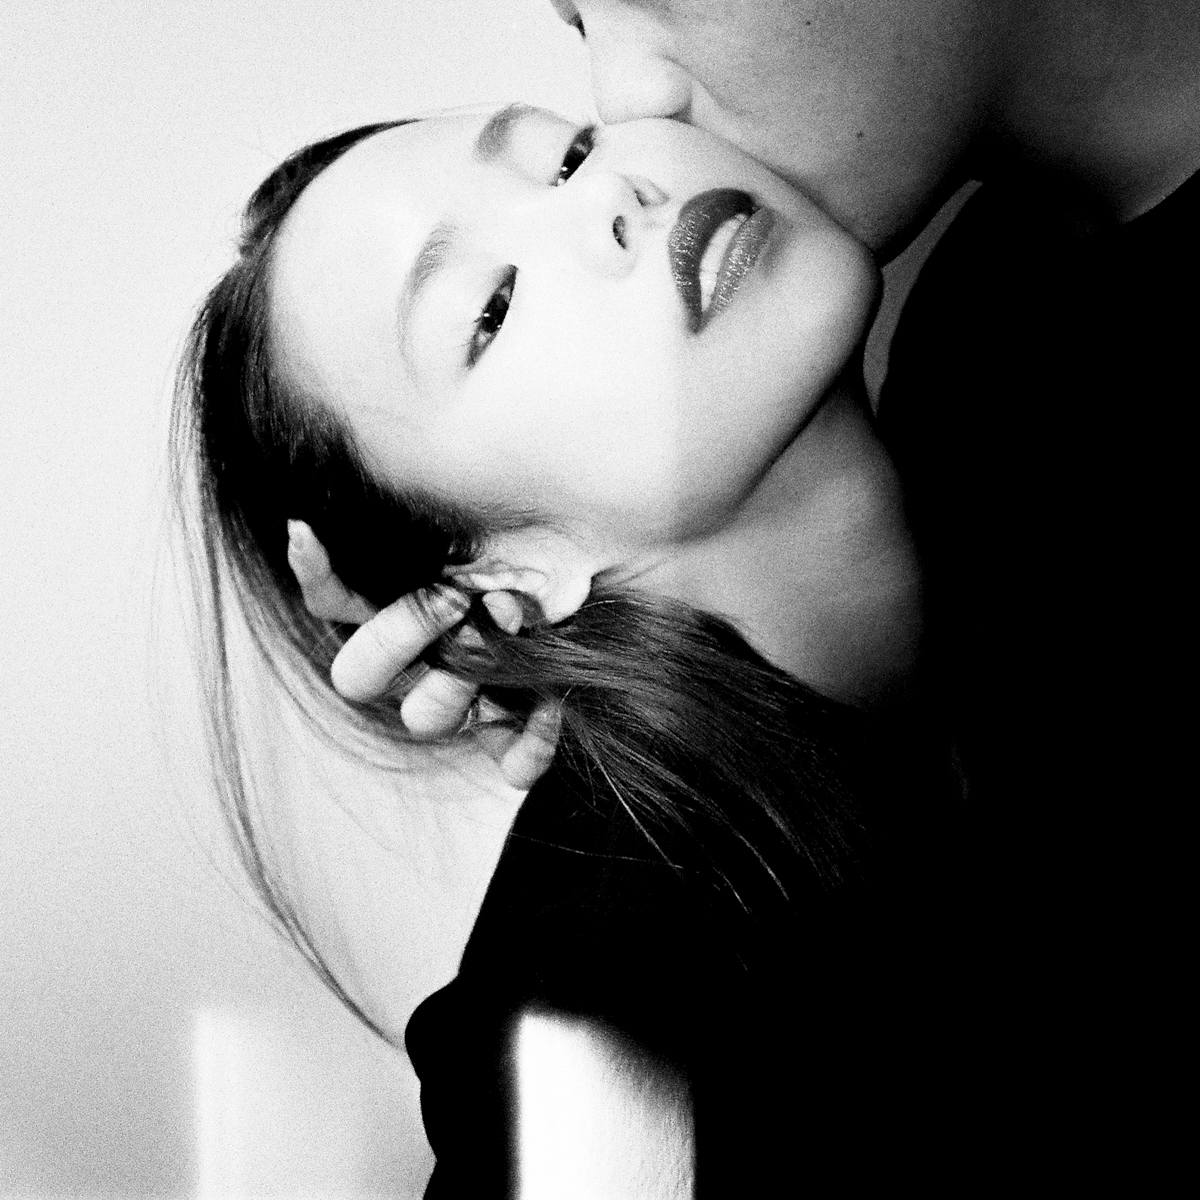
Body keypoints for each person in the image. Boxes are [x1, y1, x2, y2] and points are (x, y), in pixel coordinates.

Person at [174, 107, 949, 1190]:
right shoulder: (607, 1004)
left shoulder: (1004, 330)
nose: (609, 201)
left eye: (567, 153)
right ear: (503, 574)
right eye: (489, 310)